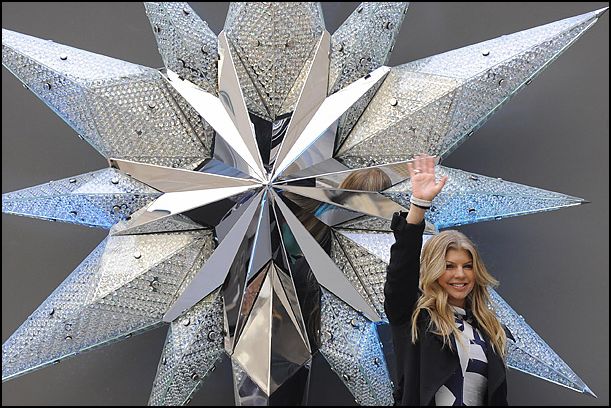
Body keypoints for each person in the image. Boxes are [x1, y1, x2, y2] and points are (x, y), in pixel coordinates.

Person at [384, 155, 512, 406]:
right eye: (449, 266)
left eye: (467, 266)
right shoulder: (415, 317)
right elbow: (401, 273)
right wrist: (418, 206)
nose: (460, 274)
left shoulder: (488, 329)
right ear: (434, 270)